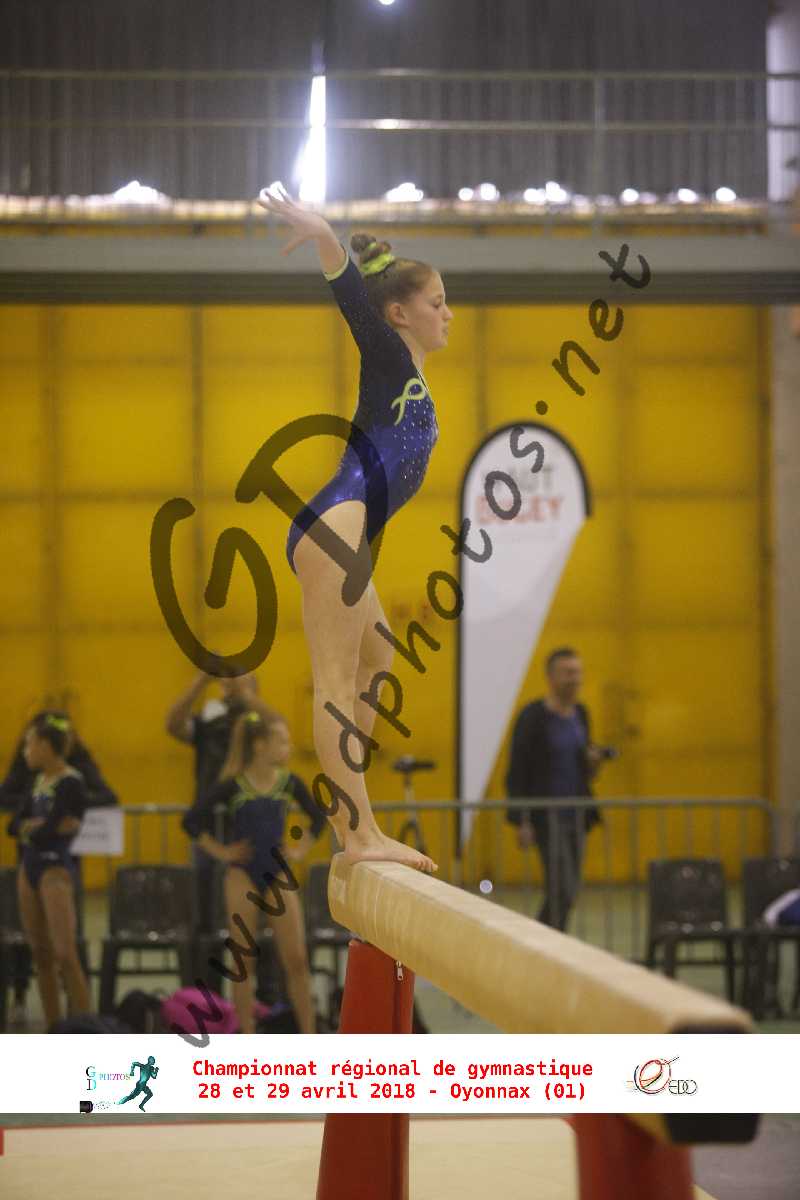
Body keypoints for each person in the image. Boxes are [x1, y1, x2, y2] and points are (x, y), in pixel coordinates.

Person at [256, 181, 454, 874]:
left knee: (378, 658)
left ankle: (355, 819)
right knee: (337, 682)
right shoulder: (390, 355)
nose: (448, 314)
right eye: (437, 303)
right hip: (335, 527)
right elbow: (353, 303)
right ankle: (359, 831)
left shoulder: (411, 381)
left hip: (346, 531)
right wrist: (324, 238)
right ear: (399, 313)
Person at [182, 707, 324, 1034]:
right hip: (242, 875)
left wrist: (300, 849)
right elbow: (191, 821)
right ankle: (246, 1035)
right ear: (260, 745)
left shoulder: (288, 783)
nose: (289, 748)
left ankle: (310, 1035)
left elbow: (319, 818)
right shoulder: (234, 785)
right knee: (243, 963)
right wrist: (221, 851)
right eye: (282, 741)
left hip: (278, 875)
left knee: (297, 960)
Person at [1, 708, 118, 1020]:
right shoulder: (37, 781)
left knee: (66, 954)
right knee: (40, 954)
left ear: (45, 746)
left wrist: (32, 827)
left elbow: (48, 828)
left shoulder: (71, 782)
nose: (24, 752)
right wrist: (34, 827)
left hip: (55, 868)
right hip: (29, 867)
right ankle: (54, 1025)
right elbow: (13, 826)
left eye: (29, 745)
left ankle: (85, 1024)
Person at [165, 664, 275, 937]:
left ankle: (259, 955)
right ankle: (206, 954)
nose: (232, 683)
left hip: (249, 821)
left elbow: (277, 726)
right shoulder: (210, 720)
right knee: (204, 896)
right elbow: (174, 725)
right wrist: (199, 683)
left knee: (256, 899)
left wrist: (246, 693)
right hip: (209, 822)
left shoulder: (258, 724)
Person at [505, 647, 608, 932]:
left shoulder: (581, 714)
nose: (575, 679)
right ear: (551, 677)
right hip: (546, 818)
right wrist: (521, 820)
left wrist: (593, 761)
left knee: (569, 890)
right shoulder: (533, 717)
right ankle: (541, 942)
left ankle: (545, 941)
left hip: (578, 816)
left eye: (578, 672)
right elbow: (518, 770)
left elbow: (585, 770)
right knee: (562, 887)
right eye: (568, 673)